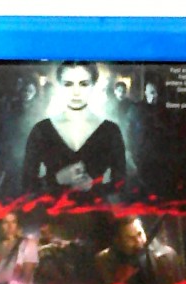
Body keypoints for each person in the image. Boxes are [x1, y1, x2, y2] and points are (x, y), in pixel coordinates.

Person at [22, 62, 126, 195]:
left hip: (97, 208)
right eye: (68, 84)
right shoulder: (41, 130)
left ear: (93, 85)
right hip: (52, 208)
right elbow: (27, 184)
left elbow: (121, 184)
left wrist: (94, 186)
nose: (76, 92)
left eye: (83, 84)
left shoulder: (110, 131)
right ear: (60, 86)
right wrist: (57, 179)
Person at [95, 216, 182, 284]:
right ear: (118, 241)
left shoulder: (167, 256)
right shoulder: (104, 261)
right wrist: (117, 283)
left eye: (140, 234)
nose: (138, 242)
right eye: (130, 238)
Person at [0, 212, 39, 284]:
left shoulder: (28, 244)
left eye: (13, 222)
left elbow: (27, 276)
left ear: (18, 225)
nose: (10, 226)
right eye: (6, 222)